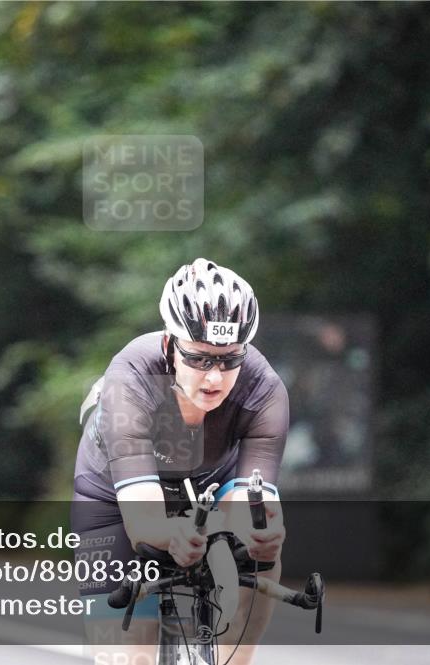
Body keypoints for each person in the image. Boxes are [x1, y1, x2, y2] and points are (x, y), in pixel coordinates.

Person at [72, 258, 288, 665]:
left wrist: (261, 531)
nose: (214, 377)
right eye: (200, 358)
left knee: (262, 557)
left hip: (210, 481)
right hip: (111, 496)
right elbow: (143, 523)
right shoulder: (131, 377)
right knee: (125, 652)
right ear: (170, 347)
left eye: (229, 360)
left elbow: (255, 504)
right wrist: (171, 534)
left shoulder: (264, 388)